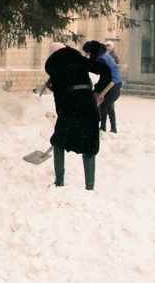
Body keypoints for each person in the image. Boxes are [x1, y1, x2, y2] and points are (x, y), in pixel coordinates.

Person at [44, 42, 111, 189]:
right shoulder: (79, 59)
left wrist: (61, 114)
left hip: (68, 104)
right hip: (88, 102)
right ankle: (90, 186)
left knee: (59, 141)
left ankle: (59, 182)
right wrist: (97, 92)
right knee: (89, 142)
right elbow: (106, 70)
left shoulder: (54, 66)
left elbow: (59, 96)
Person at [83, 40, 122, 133]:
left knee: (108, 104)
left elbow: (97, 70)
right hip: (110, 80)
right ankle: (103, 127)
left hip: (113, 82)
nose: (87, 54)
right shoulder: (101, 53)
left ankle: (113, 128)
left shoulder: (101, 58)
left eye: (88, 52)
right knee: (103, 104)